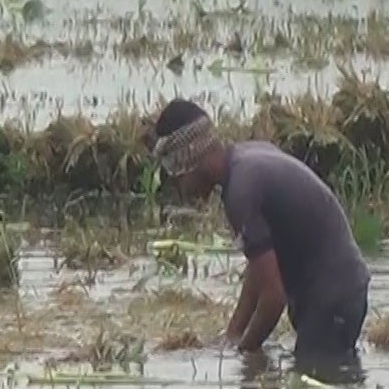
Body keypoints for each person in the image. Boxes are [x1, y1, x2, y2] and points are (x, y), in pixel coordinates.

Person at [151, 99, 369, 369]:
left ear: (190, 159)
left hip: (331, 299)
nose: (180, 187)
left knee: (316, 377)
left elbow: (273, 298)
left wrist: (244, 355)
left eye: (176, 175)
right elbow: (259, 271)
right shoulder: (246, 159)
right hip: (341, 291)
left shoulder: (241, 192)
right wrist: (232, 334)